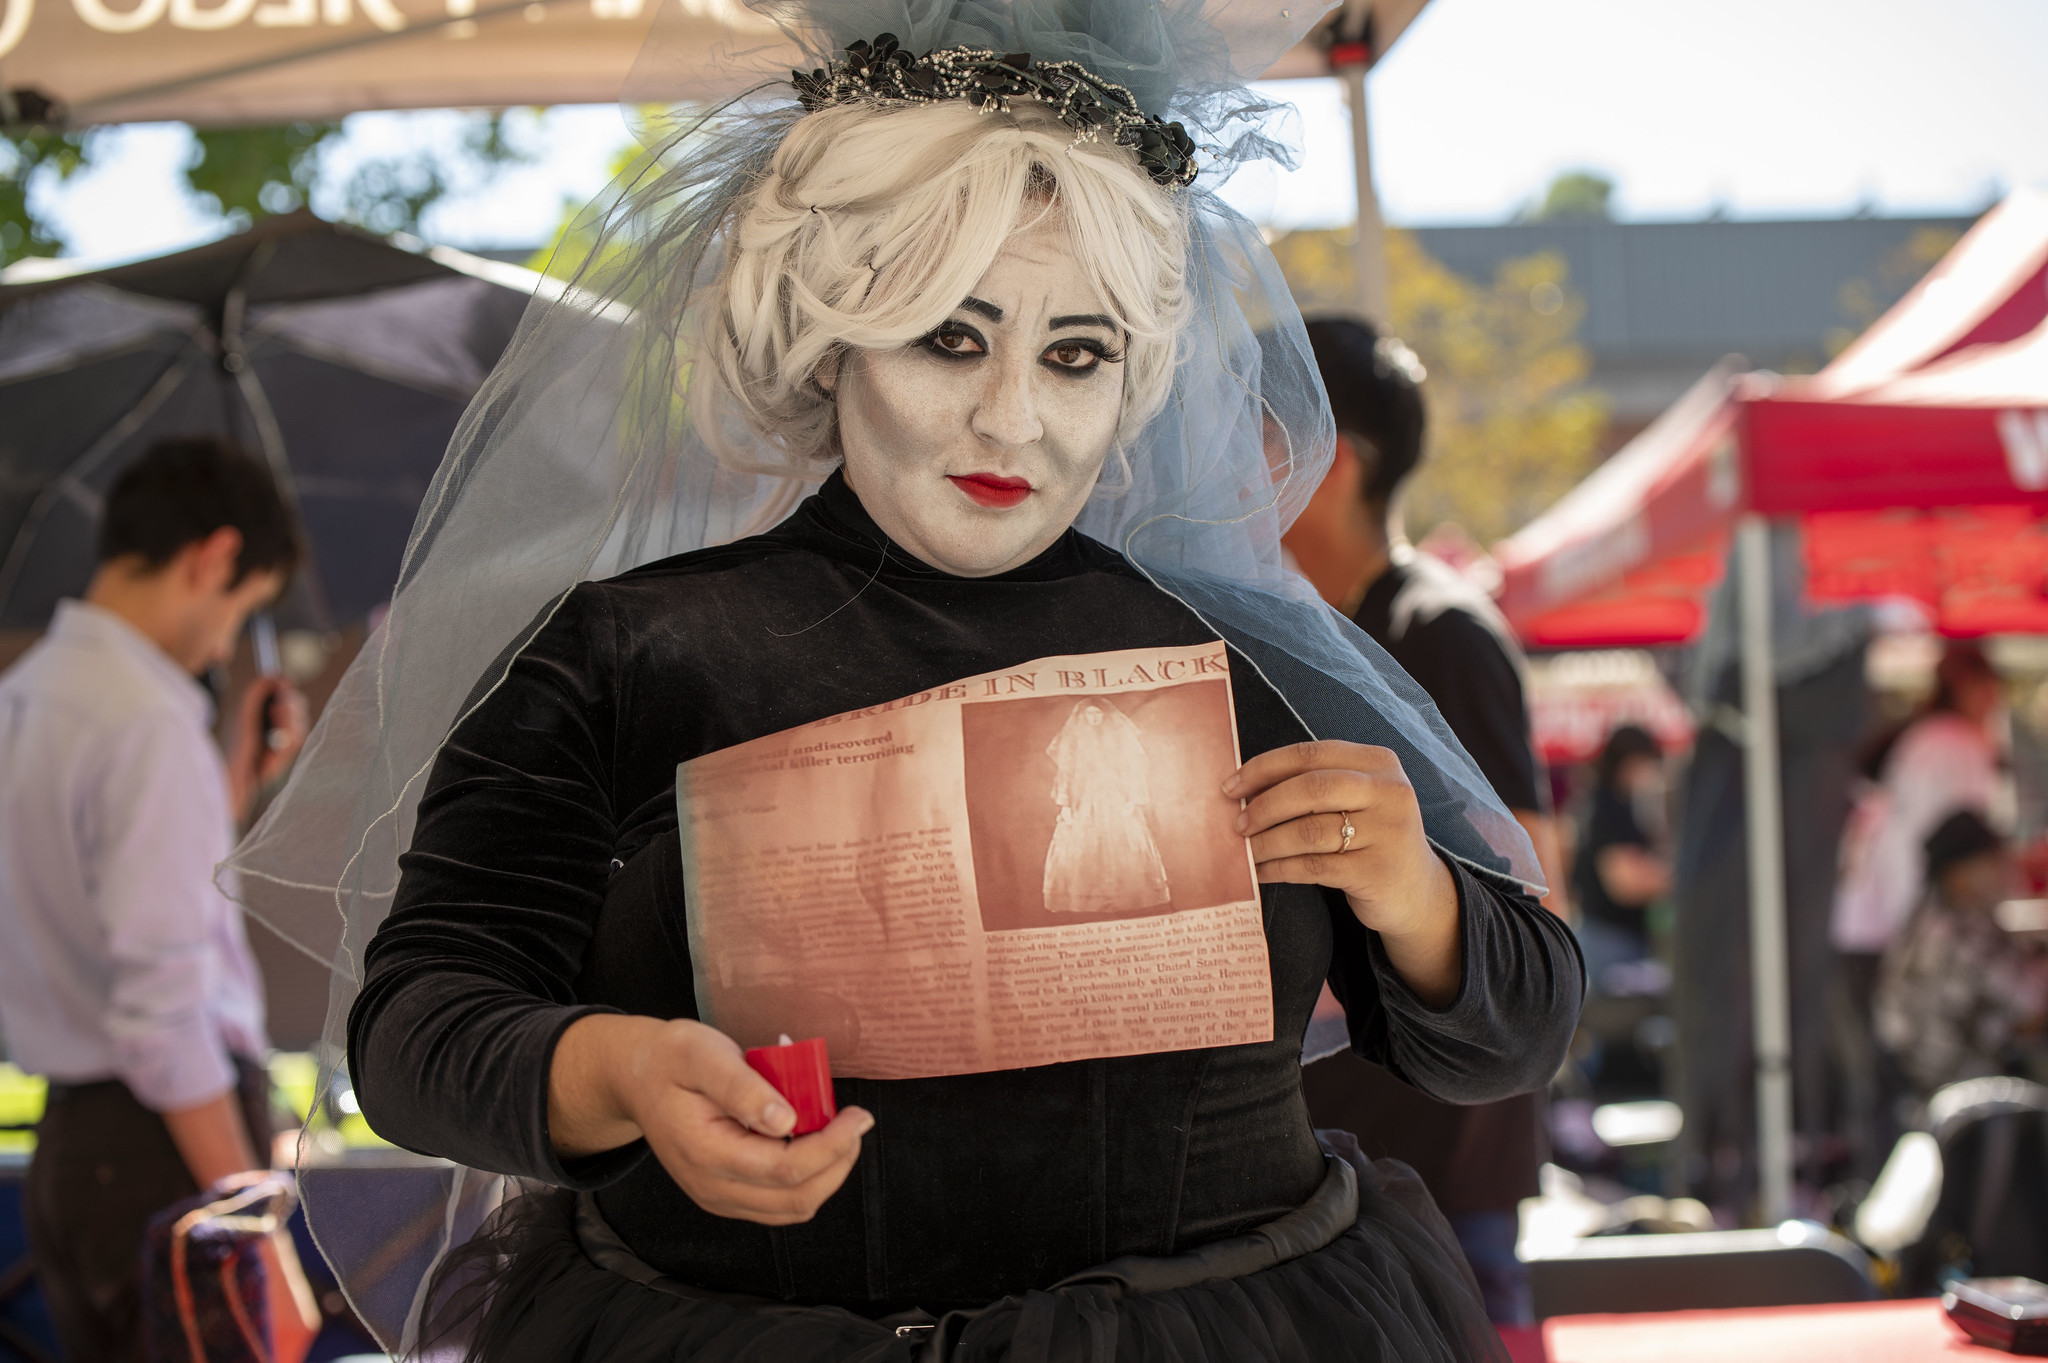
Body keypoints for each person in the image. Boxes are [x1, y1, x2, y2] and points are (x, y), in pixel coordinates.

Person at [225, 5, 1583, 1360]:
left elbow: (1521, 1024)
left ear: (1133, 380)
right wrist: (617, 1072)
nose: (1011, 416)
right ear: (834, 334)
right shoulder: (622, 658)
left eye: (1076, 353)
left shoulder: (1239, 653)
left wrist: (1416, 896)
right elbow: (415, 1023)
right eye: (949, 335)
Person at [1282, 315, 1572, 1327]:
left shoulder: (1437, 633)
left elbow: (1535, 905)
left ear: (1329, 460)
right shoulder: (1317, 631)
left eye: (1252, 435)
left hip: (1437, 1183)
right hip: (1346, 1176)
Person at [0, 436, 309, 1362]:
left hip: (72, 1155)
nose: (224, 643)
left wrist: (233, 784)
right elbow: (164, 1015)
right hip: (163, 1160)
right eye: (241, 609)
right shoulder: (144, 724)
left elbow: (104, 891)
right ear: (213, 558)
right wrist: (252, 1218)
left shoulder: (25, 699)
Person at [1874, 810, 2048, 1100]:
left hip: (1918, 1084)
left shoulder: (1927, 916)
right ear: (1960, 870)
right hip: (1963, 1087)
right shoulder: (1963, 931)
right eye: (1994, 861)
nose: (2004, 872)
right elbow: (2030, 1011)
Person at [1572, 723, 1673, 995]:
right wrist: (1682, 879)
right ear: (1630, 761)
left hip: (1606, 935)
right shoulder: (1610, 805)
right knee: (1619, 1026)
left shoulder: (1607, 802)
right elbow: (1623, 881)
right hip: (1611, 940)